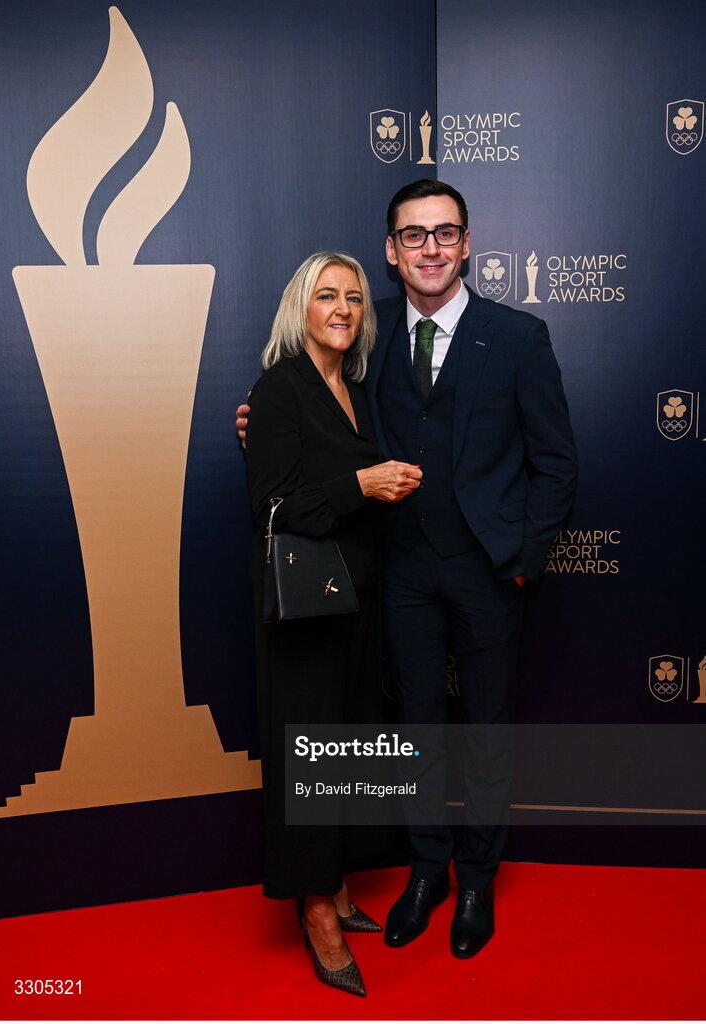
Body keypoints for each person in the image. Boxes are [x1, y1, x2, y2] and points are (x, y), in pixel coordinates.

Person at [238, 180, 577, 960]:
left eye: (445, 233)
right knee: (415, 729)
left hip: (490, 574)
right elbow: (314, 421)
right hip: (400, 575)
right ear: (391, 252)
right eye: (413, 236)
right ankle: (427, 871)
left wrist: (522, 564)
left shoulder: (521, 336)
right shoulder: (368, 341)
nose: (430, 248)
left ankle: (478, 877)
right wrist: (255, 422)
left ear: (466, 244)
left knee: (486, 731)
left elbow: (556, 466)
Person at [244, 251, 421, 997]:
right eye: (327, 296)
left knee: (348, 738)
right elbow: (275, 508)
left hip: (358, 599)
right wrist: (363, 482)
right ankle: (315, 908)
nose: (344, 308)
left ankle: (340, 883)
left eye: (354, 297)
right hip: (309, 606)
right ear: (301, 308)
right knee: (312, 746)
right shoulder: (279, 389)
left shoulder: (352, 387)